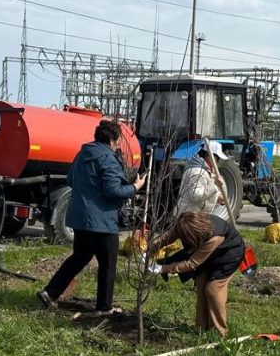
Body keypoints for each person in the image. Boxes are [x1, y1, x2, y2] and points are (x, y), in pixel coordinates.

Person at [38, 119, 146, 315]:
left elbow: (70, 179)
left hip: (80, 218)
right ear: (113, 140)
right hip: (101, 221)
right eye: (118, 141)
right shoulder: (107, 158)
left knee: (80, 257)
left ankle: (50, 292)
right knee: (108, 263)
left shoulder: (83, 154)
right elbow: (114, 192)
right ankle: (104, 307)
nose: (118, 144)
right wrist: (135, 187)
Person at [151, 211, 244, 335]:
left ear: (194, 235)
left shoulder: (214, 236)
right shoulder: (185, 224)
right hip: (206, 254)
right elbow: (168, 237)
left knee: (213, 290)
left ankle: (219, 332)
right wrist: (150, 250)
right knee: (201, 285)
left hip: (228, 256)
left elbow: (191, 264)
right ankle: (201, 328)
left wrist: (162, 268)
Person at [175, 141, 227, 217]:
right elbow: (196, 196)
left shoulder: (206, 170)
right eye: (218, 158)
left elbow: (205, 189)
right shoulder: (197, 172)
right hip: (188, 217)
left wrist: (217, 197)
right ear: (209, 156)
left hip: (196, 216)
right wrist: (215, 186)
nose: (218, 161)